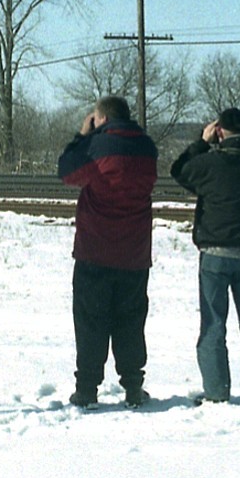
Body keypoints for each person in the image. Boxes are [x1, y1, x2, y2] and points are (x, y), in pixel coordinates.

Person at [57, 96, 158, 408]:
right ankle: (133, 388)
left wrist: (81, 136)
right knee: (130, 323)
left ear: (100, 119)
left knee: (90, 323)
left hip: (94, 251)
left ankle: (87, 390)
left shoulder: (96, 147)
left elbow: (66, 173)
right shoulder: (148, 147)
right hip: (134, 254)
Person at [169, 108, 240, 404]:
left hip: (215, 252)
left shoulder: (210, 163)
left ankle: (217, 392)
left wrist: (201, 144)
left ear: (219, 131)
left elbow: (179, 171)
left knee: (214, 323)